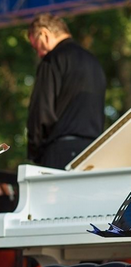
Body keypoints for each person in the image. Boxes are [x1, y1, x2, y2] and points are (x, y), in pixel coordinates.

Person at [26, 13, 106, 169]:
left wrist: (35, 152)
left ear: (44, 34)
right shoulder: (94, 62)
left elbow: (41, 111)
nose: (39, 53)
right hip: (94, 151)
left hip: (61, 151)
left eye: (36, 46)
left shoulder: (53, 59)